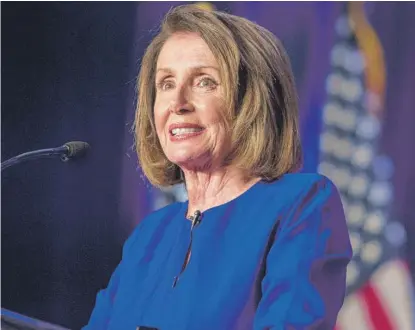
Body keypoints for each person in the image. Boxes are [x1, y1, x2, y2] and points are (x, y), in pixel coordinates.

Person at [83, 5, 352, 330]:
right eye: (166, 83)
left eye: (204, 82)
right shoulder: (150, 235)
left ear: (252, 100)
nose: (177, 102)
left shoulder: (301, 205)